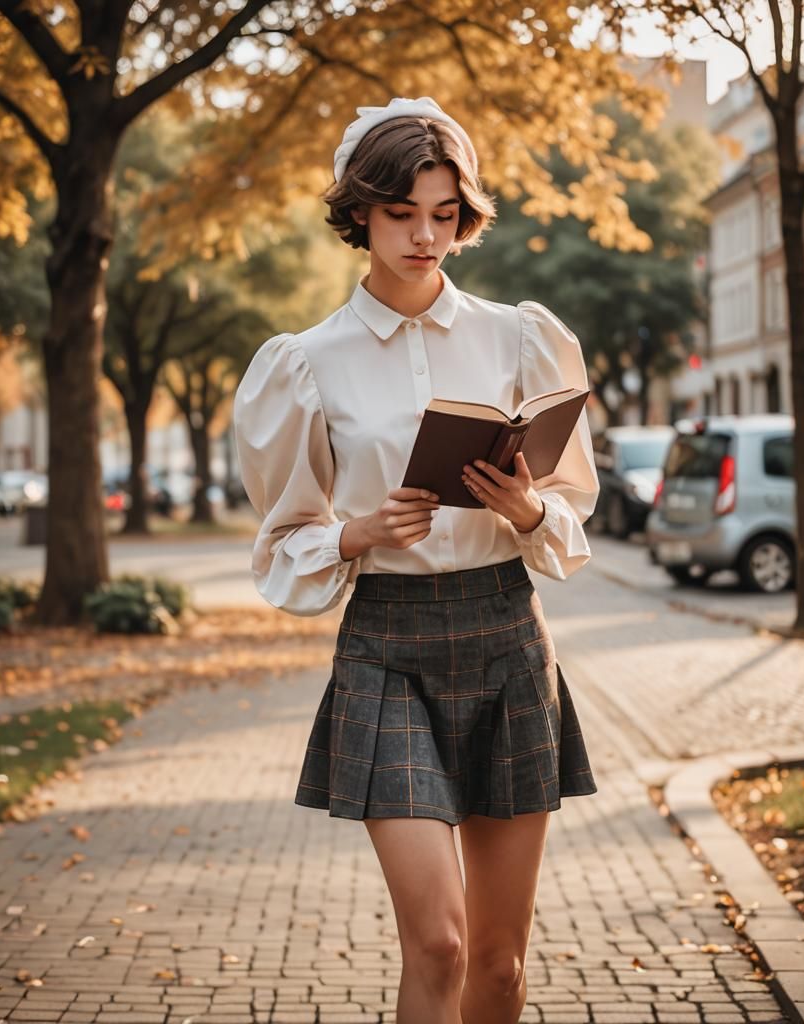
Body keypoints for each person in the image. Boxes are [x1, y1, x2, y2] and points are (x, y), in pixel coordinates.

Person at [232, 96, 600, 1024]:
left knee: (500, 966)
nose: (426, 237)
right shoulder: (305, 362)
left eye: (444, 214)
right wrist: (359, 533)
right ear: (360, 212)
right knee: (440, 943)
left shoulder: (522, 338)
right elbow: (284, 541)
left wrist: (527, 510)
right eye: (402, 214)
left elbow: (571, 508)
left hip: (507, 636)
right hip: (386, 648)